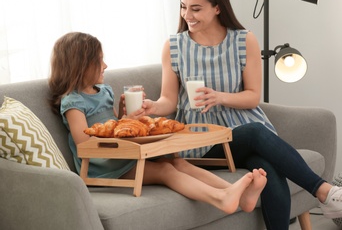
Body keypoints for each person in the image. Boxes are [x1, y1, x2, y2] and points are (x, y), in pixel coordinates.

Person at [142, 0, 342, 229]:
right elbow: (169, 100)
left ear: (217, 7)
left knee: (267, 171)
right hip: (204, 141)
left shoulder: (243, 40)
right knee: (255, 133)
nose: (188, 14)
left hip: (242, 134)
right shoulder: (174, 46)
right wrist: (153, 108)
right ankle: (324, 191)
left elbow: (253, 96)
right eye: (183, 7)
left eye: (196, 8)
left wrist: (220, 97)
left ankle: (322, 195)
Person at [47, 31, 267, 215]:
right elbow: (85, 143)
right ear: (80, 66)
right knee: (165, 171)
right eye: (99, 60)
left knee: (178, 162)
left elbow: (114, 124)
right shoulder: (73, 101)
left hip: (123, 155)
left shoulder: (103, 91)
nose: (105, 64)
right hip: (103, 170)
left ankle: (236, 192)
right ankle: (221, 198)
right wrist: (120, 127)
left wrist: (126, 118)